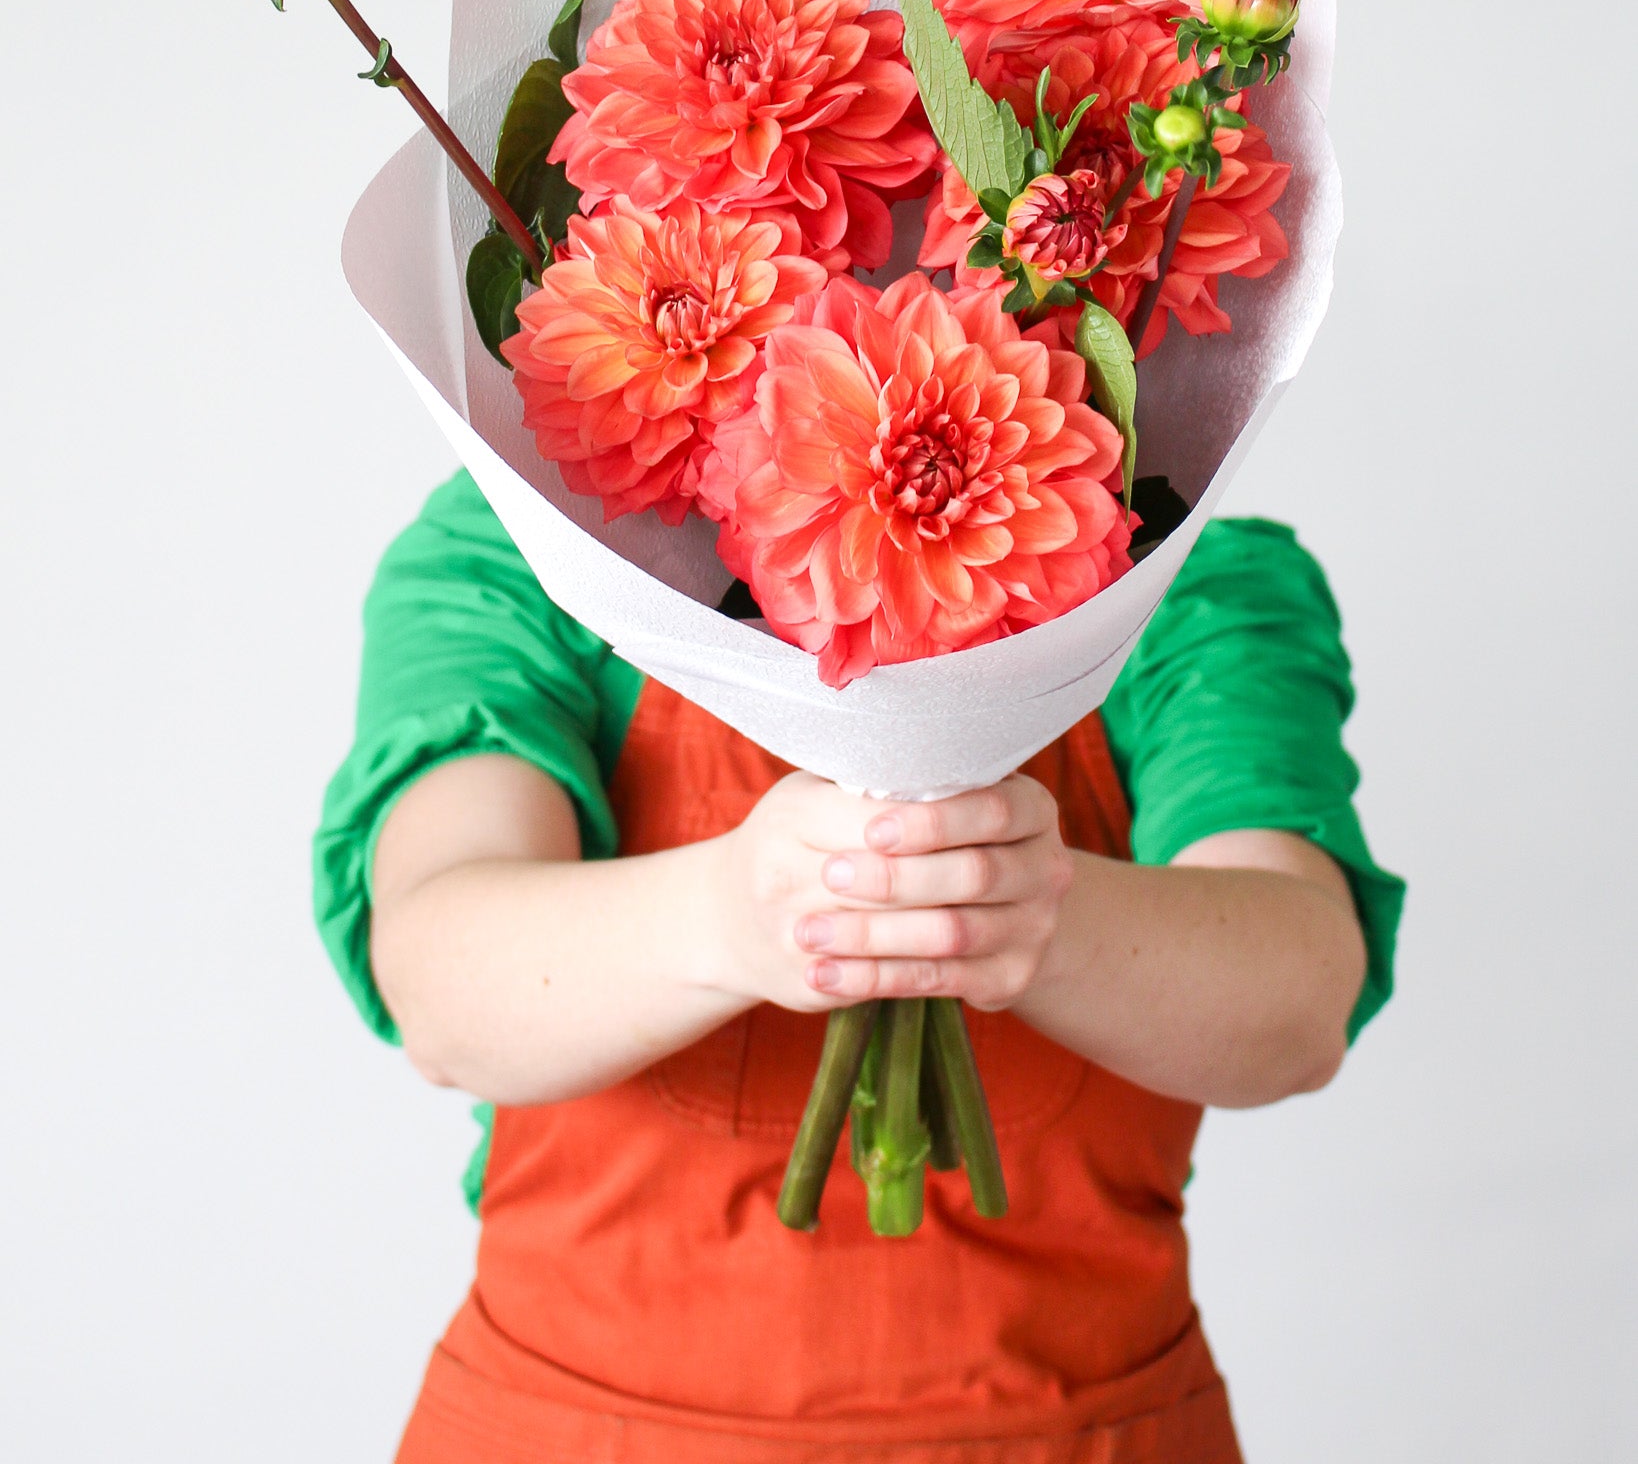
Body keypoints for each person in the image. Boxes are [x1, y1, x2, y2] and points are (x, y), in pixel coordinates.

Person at [317, 470, 1404, 1463]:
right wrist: (727, 915)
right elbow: (442, 986)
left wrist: (1035, 915)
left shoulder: (1166, 563)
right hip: (572, 1431)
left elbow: (1299, 1000)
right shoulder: (536, 542)